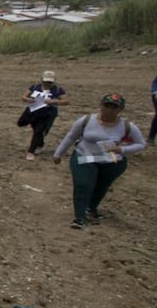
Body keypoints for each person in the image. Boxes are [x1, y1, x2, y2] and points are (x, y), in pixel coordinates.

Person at [52, 93, 146, 229]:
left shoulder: (127, 126)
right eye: (106, 106)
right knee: (83, 184)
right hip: (84, 157)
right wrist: (58, 153)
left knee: (101, 186)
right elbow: (71, 137)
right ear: (100, 105)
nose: (109, 110)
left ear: (120, 110)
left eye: (114, 107)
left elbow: (141, 144)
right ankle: (79, 217)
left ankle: (92, 208)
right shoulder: (87, 120)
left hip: (111, 161)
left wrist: (122, 150)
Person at [20, 71, 69, 160]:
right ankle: (40, 144)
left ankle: (31, 151)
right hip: (35, 111)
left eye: (50, 82)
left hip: (48, 114)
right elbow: (24, 97)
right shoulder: (35, 87)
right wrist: (29, 99)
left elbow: (66, 101)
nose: (47, 84)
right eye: (46, 81)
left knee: (39, 131)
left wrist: (53, 101)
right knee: (36, 130)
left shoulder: (58, 89)